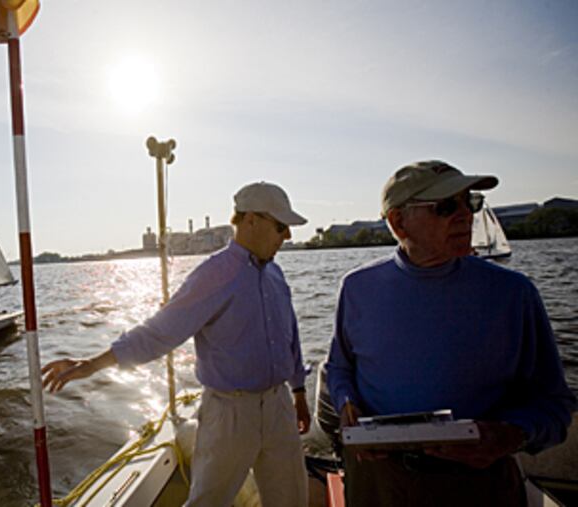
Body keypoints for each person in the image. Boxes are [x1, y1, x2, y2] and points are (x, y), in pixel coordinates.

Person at [43, 182, 311, 507]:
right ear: (251, 220)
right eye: (281, 227)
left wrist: (298, 391)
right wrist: (91, 364)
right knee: (207, 502)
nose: (288, 237)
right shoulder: (214, 274)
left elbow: (290, 336)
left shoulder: (276, 275)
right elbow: (159, 332)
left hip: (279, 405)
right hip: (230, 413)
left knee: (293, 499)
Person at [325, 160, 577, 506]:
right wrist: (346, 402)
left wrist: (511, 435)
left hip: (479, 486)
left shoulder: (514, 293)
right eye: (445, 206)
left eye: (469, 202)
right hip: (379, 485)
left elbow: (555, 404)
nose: (464, 215)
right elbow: (339, 368)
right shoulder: (356, 288)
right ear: (398, 222)